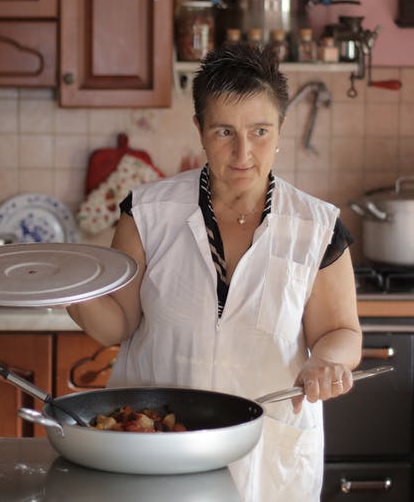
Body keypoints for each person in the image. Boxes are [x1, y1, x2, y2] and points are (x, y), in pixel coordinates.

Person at [66, 42, 362, 501]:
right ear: (200, 130)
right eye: (225, 131)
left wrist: (328, 360)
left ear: (281, 129)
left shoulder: (317, 229)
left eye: (260, 131)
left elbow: (342, 331)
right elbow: (118, 323)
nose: (243, 152)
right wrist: (65, 288)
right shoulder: (147, 213)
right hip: (154, 448)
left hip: (267, 460)